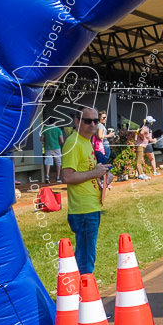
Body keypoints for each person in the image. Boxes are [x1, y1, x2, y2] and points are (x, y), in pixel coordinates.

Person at [61, 107, 111, 274]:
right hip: (83, 210)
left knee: (86, 255)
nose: (92, 124)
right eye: (87, 120)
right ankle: (84, 294)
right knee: (85, 259)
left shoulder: (86, 142)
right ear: (77, 121)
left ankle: (78, 292)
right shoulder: (73, 143)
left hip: (91, 207)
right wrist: (94, 173)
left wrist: (103, 177)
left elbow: (87, 172)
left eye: (95, 121)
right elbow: (67, 177)